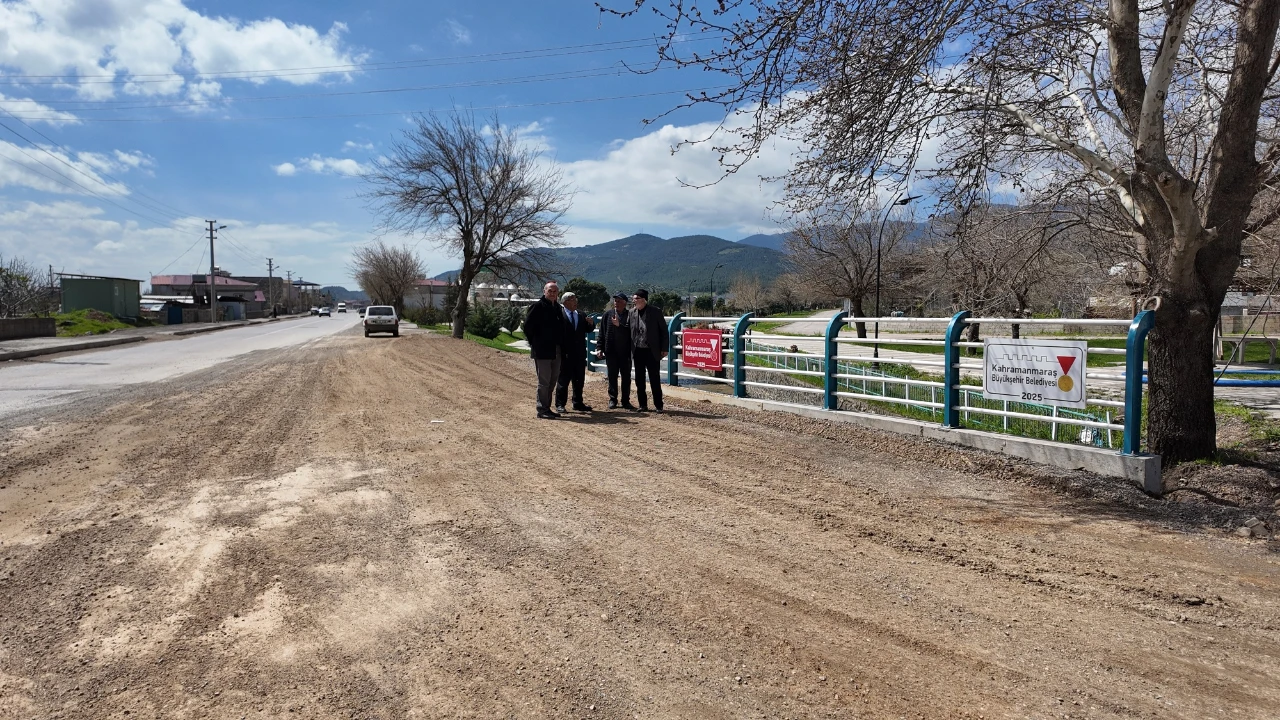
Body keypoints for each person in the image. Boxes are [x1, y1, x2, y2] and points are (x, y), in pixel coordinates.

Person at [524, 281, 566, 419]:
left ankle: (547, 408)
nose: (552, 293)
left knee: (553, 381)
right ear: (544, 291)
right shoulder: (537, 307)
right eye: (550, 291)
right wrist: (535, 343)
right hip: (542, 351)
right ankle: (542, 409)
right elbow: (527, 327)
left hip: (556, 350)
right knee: (544, 382)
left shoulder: (558, 308)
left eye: (555, 291)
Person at [555, 291, 596, 413]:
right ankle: (560, 404)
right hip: (565, 354)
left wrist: (591, 324)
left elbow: (588, 330)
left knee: (579, 380)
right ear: (565, 302)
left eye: (575, 299)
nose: (575, 302)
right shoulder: (559, 314)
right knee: (563, 381)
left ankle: (577, 403)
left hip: (579, 354)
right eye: (573, 300)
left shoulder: (581, 314)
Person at [629, 288, 669, 413]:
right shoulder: (631, 312)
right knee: (639, 379)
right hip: (638, 350)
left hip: (652, 351)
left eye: (637, 298)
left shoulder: (655, 311)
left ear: (644, 299)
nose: (635, 301)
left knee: (654, 378)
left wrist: (664, 348)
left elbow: (664, 331)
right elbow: (628, 329)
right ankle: (643, 405)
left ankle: (658, 405)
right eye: (634, 298)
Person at [596, 292, 634, 410]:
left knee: (626, 377)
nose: (616, 303)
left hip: (626, 352)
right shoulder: (607, 315)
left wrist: (619, 325)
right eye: (615, 301)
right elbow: (602, 332)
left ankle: (625, 401)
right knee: (612, 376)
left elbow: (631, 332)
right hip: (611, 351)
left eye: (619, 301)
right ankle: (613, 399)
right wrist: (599, 348)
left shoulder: (630, 315)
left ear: (625, 303)